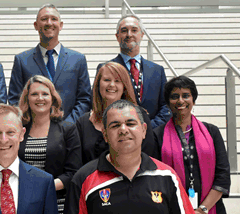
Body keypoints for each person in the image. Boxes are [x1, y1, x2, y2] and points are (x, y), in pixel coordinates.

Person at [65, 100, 195, 214]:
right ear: (105, 135)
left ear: (144, 130)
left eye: (130, 123)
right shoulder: (83, 180)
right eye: (115, 125)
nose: (123, 130)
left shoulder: (168, 176)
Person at [153, 76, 230, 214]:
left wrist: (202, 210)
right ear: (168, 102)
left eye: (186, 95)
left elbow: (223, 175)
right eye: (175, 96)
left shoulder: (212, 132)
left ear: (193, 100)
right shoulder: (157, 135)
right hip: (172, 209)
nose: (180, 101)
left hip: (211, 209)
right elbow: (155, 178)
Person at [8, 3, 91, 125]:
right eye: (44, 19)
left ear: (61, 25)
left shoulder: (78, 59)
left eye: (54, 19)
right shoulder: (21, 60)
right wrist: (35, 126)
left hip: (70, 132)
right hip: (33, 130)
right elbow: (15, 99)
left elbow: (84, 99)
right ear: (36, 25)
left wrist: (67, 125)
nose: (49, 23)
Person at [18, 75, 82, 214]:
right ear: (27, 99)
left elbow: (73, 173)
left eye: (45, 94)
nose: (40, 98)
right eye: (34, 94)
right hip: (24, 203)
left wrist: (44, 187)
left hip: (58, 204)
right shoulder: (18, 129)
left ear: (52, 98)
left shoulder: (68, 129)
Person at [76, 62, 159, 164]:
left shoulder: (139, 116)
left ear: (124, 86)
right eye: (107, 80)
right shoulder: (83, 122)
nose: (112, 85)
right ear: (98, 84)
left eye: (117, 81)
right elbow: (78, 163)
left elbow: (149, 156)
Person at [97, 14, 170, 129]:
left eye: (134, 30)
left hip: (153, 136)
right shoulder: (106, 68)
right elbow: (98, 103)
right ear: (117, 36)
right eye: (124, 31)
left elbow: (166, 105)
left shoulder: (157, 70)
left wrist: (149, 128)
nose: (129, 34)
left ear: (142, 35)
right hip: (119, 134)